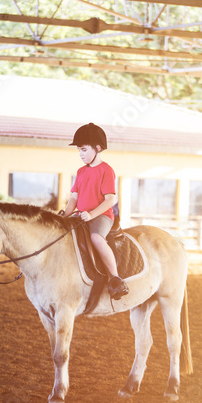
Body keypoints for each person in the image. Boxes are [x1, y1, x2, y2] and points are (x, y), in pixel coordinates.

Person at [62, 123, 129, 301]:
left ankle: (115, 278)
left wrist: (91, 215)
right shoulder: (81, 171)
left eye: (84, 149)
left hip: (101, 216)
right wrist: (64, 215)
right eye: (79, 150)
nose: (80, 154)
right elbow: (74, 198)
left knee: (96, 238)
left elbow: (109, 200)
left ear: (98, 148)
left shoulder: (106, 170)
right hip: (81, 215)